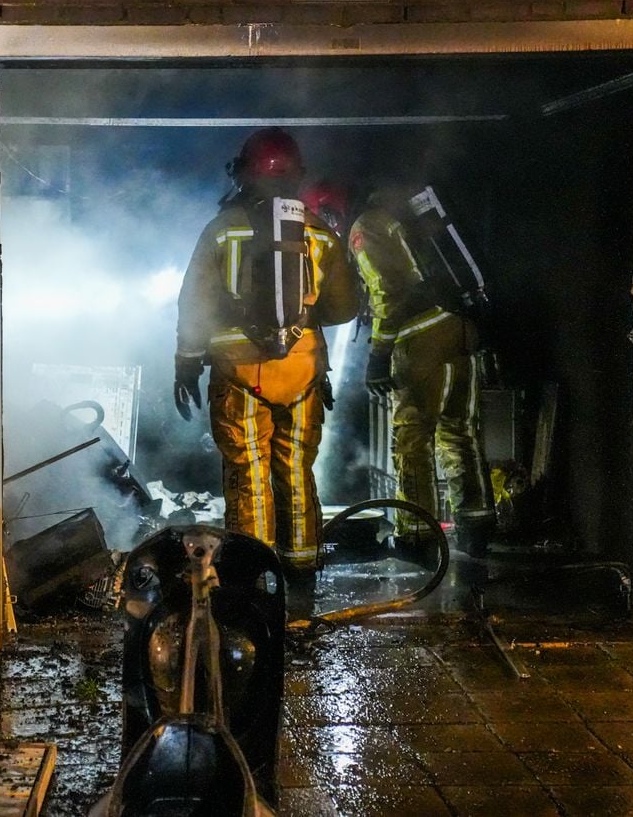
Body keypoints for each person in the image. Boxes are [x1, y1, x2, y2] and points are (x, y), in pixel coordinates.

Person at [174, 128, 360, 571]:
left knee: (249, 473)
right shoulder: (318, 233)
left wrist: (186, 362)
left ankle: (254, 576)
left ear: (244, 174)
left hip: (239, 374)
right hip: (303, 374)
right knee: (296, 470)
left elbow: (194, 303)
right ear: (296, 175)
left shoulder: (221, 229)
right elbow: (343, 308)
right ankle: (300, 568)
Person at [348, 184, 497, 560]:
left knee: (413, 440)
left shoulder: (367, 226)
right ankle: (476, 528)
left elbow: (389, 293)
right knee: (460, 431)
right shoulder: (412, 221)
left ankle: (416, 536)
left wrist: (378, 355)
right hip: (460, 328)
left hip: (420, 338)